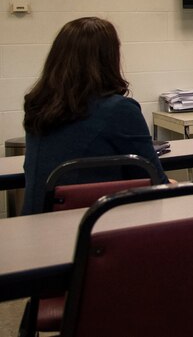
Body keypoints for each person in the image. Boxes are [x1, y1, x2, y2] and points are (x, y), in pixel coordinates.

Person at [21, 17, 169, 215]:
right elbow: (155, 182)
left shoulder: (38, 104)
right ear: (110, 57)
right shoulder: (120, 110)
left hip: (35, 224)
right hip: (91, 227)